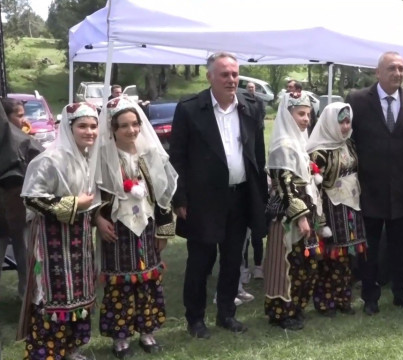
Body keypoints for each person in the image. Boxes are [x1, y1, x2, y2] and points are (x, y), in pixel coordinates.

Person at [170, 52, 267, 337]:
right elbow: (177, 157)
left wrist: (259, 196)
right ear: (209, 76)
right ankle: (195, 319)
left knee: (233, 260)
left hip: (239, 196)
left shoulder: (250, 106)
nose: (231, 80)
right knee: (201, 261)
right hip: (202, 201)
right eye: (224, 74)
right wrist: (180, 198)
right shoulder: (190, 109)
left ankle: (226, 314)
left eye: (235, 74)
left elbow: (256, 155)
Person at [94, 97, 177, 357]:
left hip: (147, 226)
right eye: (124, 126)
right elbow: (92, 193)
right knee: (120, 283)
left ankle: (147, 332)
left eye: (135, 124)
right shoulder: (102, 158)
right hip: (117, 229)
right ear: (112, 129)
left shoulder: (149, 154)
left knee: (149, 280)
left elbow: (162, 194)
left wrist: (164, 230)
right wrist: (98, 219)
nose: (131, 130)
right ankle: (121, 338)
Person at [18, 102, 101, 360]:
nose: (89, 131)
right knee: (53, 296)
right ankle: (47, 352)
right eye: (83, 126)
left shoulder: (89, 157)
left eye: (93, 126)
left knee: (78, 293)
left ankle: (69, 348)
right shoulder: (48, 159)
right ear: (68, 127)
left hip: (80, 238)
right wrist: (76, 204)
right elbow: (31, 198)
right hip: (53, 239)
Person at [346, 51, 403, 315]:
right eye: (392, 68)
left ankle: (402, 293)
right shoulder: (357, 100)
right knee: (370, 246)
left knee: (400, 246)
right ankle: (370, 297)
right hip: (368, 188)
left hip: (402, 189)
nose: (398, 73)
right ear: (377, 72)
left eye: (401, 69)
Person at [263, 91, 327, 330]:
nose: (306, 119)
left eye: (308, 114)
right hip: (287, 215)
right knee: (286, 264)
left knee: (304, 261)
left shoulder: (299, 141)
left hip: (305, 209)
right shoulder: (283, 145)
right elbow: (284, 185)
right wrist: (300, 217)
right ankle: (281, 312)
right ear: (288, 115)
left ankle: (296, 307)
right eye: (301, 114)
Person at [307, 102, 367, 317]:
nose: (344, 126)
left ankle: (344, 299)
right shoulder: (319, 152)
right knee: (330, 257)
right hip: (331, 208)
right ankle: (325, 302)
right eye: (340, 122)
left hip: (352, 205)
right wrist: (319, 220)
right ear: (330, 122)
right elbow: (314, 187)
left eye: (347, 121)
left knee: (348, 258)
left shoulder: (349, 144)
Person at [0, 105, 42, 299]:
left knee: (24, 249)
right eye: (19, 116)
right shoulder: (16, 138)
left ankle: (29, 293)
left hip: (19, 203)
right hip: (13, 199)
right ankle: (29, 293)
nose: (24, 120)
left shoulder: (20, 137)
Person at [240, 82, 267, 283]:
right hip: (239, 185)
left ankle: (258, 265)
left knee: (256, 229)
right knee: (242, 234)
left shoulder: (257, 107)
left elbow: (260, 157)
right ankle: (243, 269)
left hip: (255, 183)